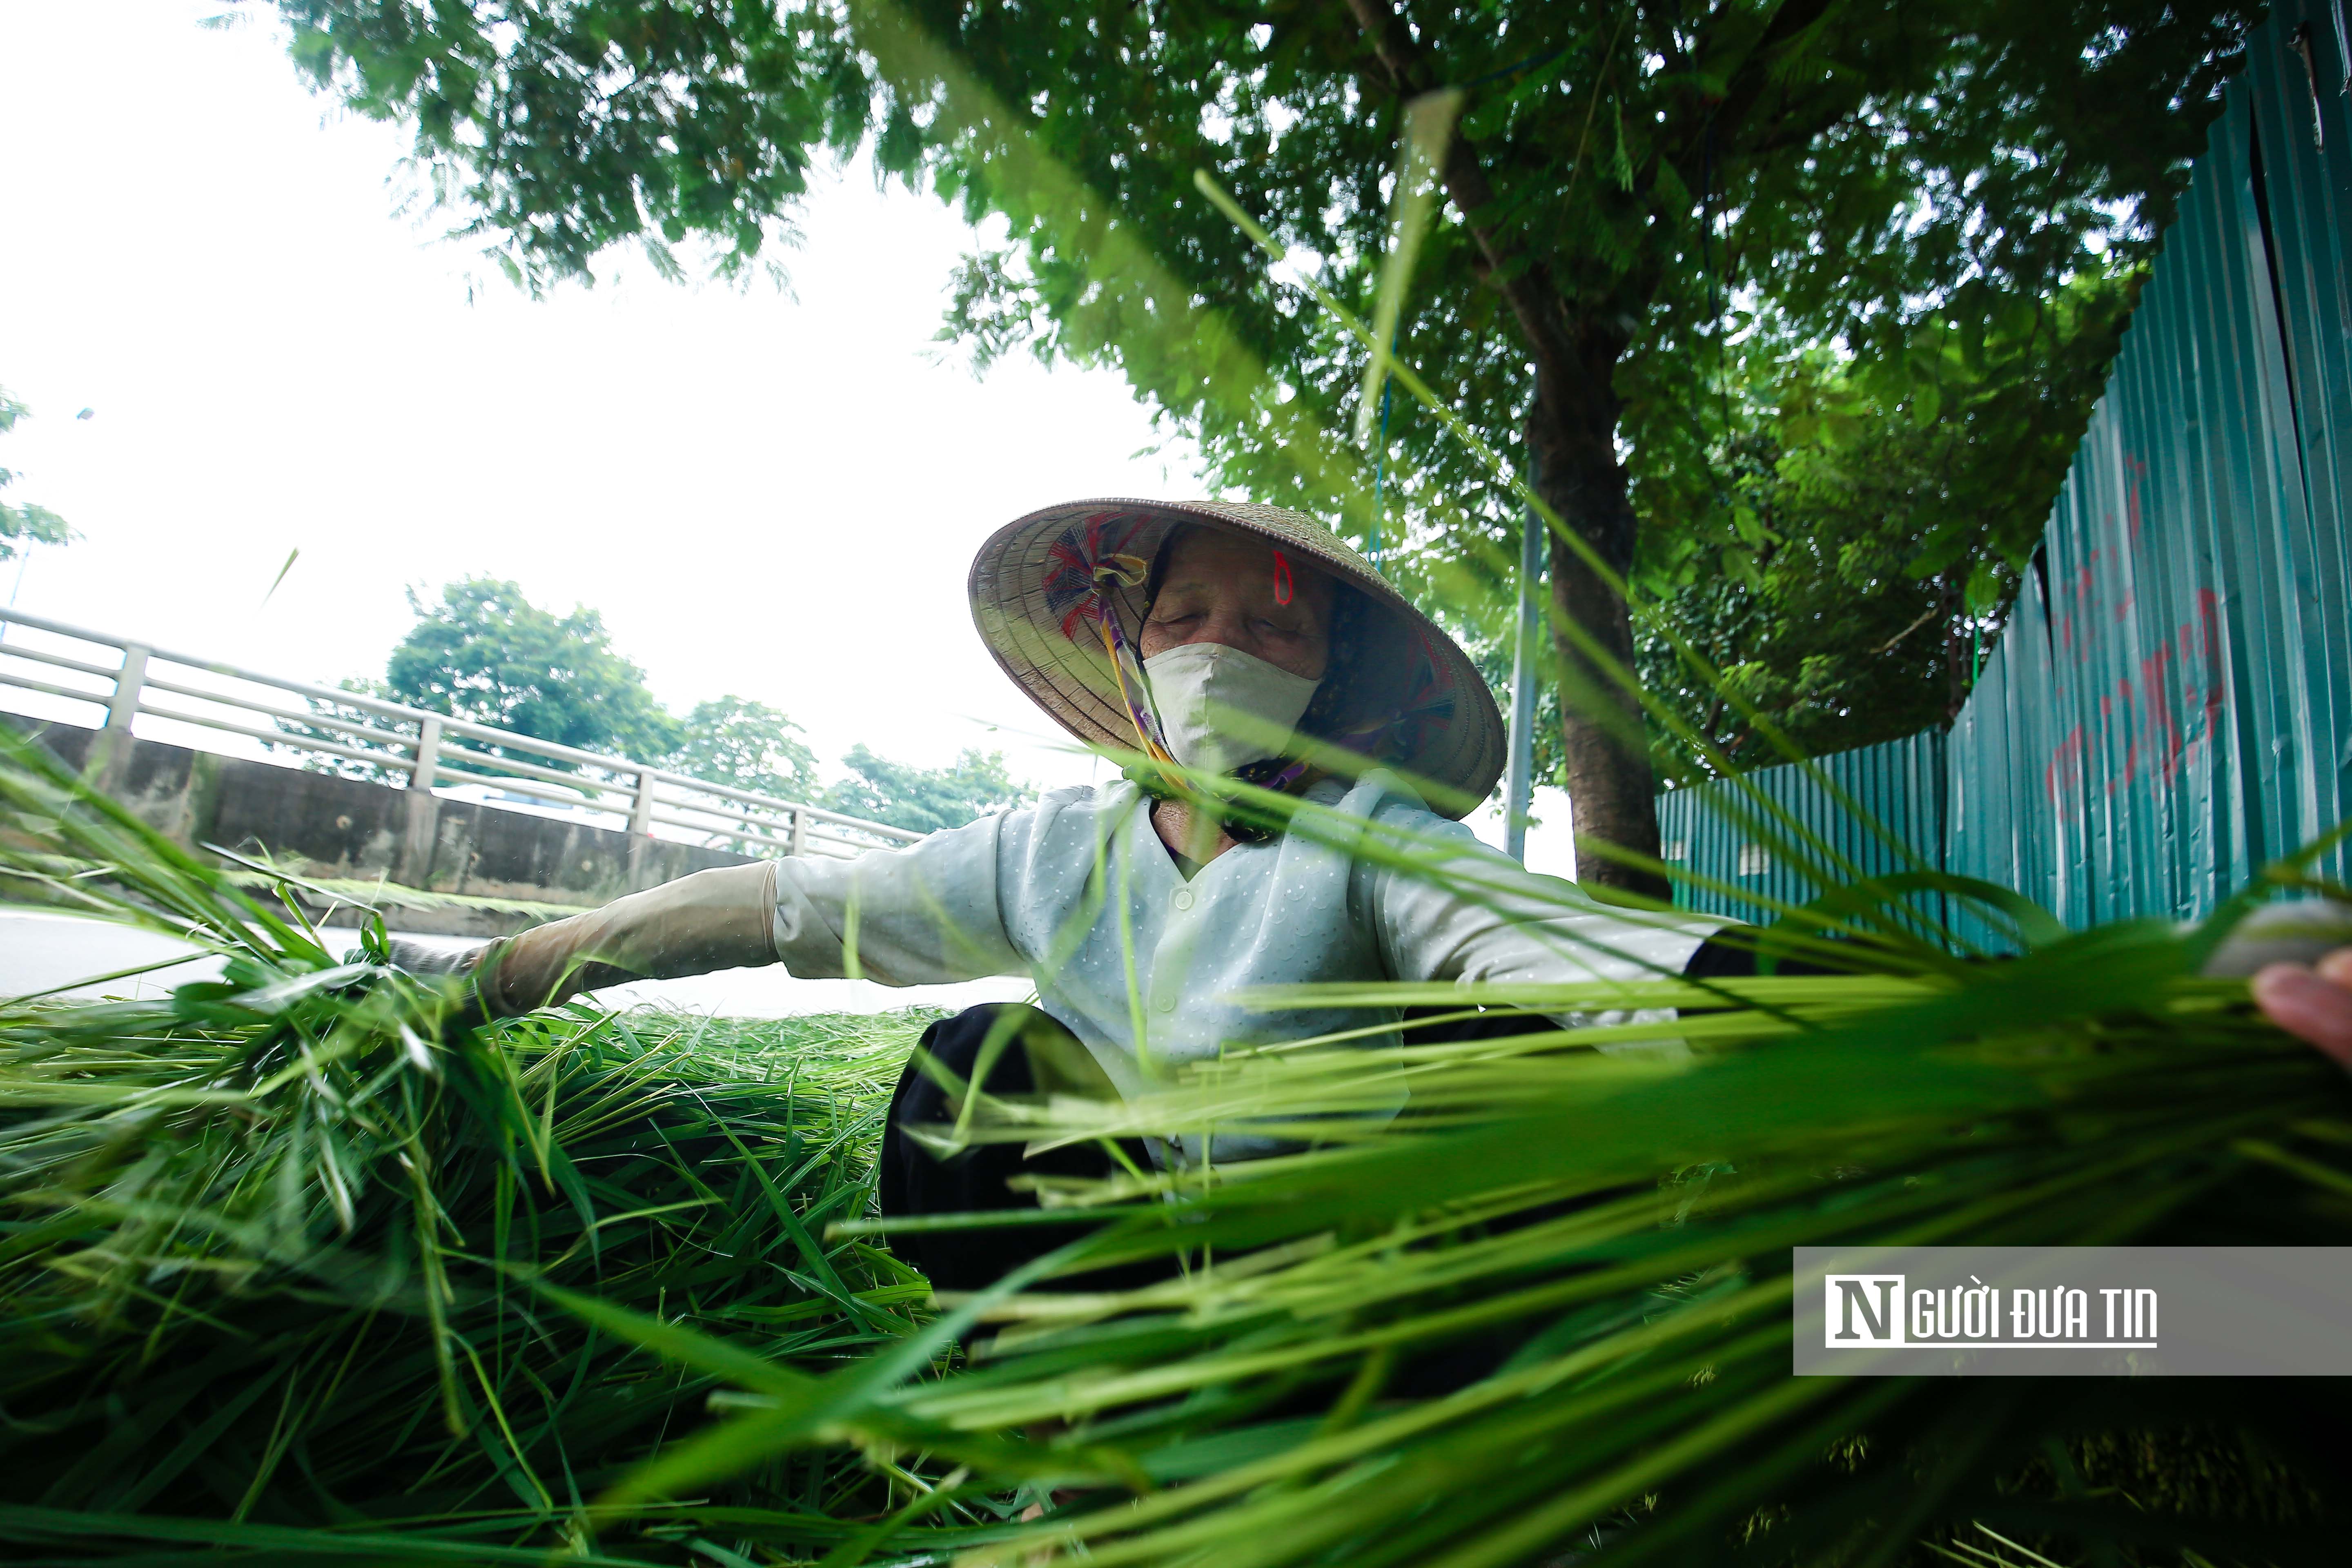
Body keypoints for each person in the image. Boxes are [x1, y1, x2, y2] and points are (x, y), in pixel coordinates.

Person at [404, 498, 1728, 1291]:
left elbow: (1551, 945)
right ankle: (1065, 1435)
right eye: (1184, 617)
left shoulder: (1369, 840)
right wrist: (515, 970)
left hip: (1331, 1279)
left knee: (1522, 1089)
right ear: (1134, 649)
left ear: (1328, 678)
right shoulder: (1053, 852)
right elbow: (797, 906)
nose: (1222, 647)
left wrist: (1763, 1005)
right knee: (972, 1071)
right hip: (1114, 1271)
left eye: (1272, 629)